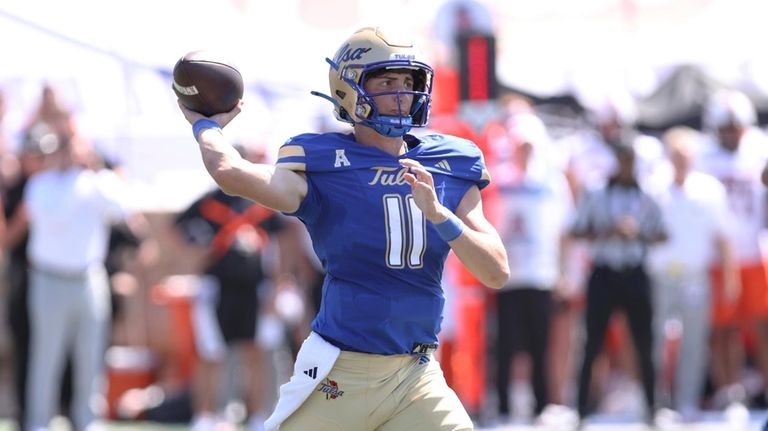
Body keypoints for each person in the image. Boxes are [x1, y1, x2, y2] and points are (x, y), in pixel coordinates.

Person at [175, 26, 509, 431]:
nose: (403, 92)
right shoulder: (323, 160)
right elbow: (230, 173)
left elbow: (495, 271)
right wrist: (206, 127)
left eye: (409, 81)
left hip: (416, 374)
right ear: (350, 89)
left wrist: (440, 214)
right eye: (387, 81)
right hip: (339, 370)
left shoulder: (451, 162)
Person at [23, 128, 134, 431]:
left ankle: (88, 420)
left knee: (90, 355)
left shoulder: (97, 183)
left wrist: (96, 174)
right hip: (49, 279)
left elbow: (123, 209)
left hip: (88, 278)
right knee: (46, 356)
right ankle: (39, 422)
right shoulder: (41, 183)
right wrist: (80, 181)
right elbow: (53, 217)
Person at [172, 144, 287, 431]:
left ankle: (257, 415)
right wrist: (202, 252)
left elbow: (283, 242)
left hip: (254, 288)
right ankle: (205, 415)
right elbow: (178, 230)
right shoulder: (209, 202)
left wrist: (279, 285)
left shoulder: (261, 203)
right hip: (217, 287)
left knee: (255, 352)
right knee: (211, 353)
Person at [569, 141, 667, 426]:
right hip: (604, 272)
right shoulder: (595, 191)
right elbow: (578, 230)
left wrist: (637, 233)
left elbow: (662, 234)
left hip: (635, 271)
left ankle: (652, 406)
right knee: (592, 342)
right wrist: (609, 231)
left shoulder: (648, 194)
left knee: (645, 342)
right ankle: (581, 408)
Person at [646, 126, 739, 421]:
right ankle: (657, 403)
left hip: (695, 276)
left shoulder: (709, 190)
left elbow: (723, 237)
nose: (681, 161)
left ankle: (687, 402)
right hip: (660, 275)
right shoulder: (653, 187)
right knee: (656, 342)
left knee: (695, 342)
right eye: (676, 155)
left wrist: (729, 277)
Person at [487, 112, 573, 423]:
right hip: (505, 275)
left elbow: (564, 230)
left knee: (540, 344)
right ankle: (503, 408)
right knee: (505, 345)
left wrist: (564, 272)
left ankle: (541, 406)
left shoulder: (551, 181)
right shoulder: (498, 178)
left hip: (540, 275)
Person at [695, 89, 768, 409]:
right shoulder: (703, 157)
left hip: (753, 252)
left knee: (762, 323)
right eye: (725, 127)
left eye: (735, 127)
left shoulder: (758, 151)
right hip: (717, 257)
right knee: (723, 328)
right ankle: (728, 390)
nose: (730, 133)